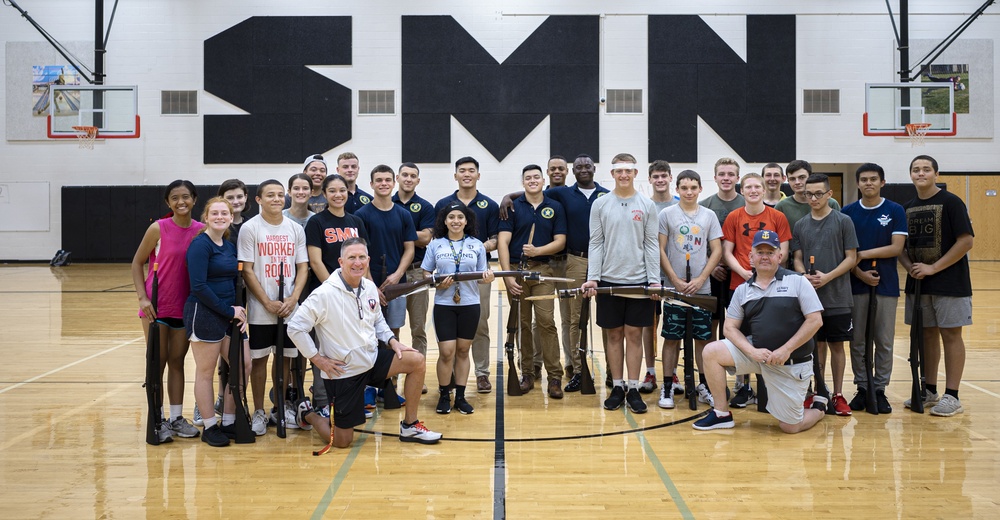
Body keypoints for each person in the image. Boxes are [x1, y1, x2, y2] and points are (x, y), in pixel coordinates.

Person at [287, 237, 442, 447]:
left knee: (416, 360)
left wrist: (392, 341)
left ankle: (410, 425)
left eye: (361, 257)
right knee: (342, 442)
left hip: (371, 360)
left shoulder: (369, 287)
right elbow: (295, 327)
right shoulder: (323, 294)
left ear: (368, 260)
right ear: (341, 262)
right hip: (344, 371)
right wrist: (317, 359)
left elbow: (377, 317)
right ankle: (308, 414)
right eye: (351, 258)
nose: (357, 262)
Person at [692, 229, 828, 433]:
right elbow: (729, 328)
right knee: (711, 352)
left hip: (789, 363)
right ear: (751, 257)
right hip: (758, 356)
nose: (765, 257)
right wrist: (751, 351)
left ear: (779, 256)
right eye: (760, 252)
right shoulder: (742, 290)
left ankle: (819, 406)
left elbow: (815, 321)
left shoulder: (797, 282)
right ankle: (721, 414)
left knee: (790, 427)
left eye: (770, 252)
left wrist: (786, 349)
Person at [581, 153, 660, 414]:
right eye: (619, 171)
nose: (624, 175)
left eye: (628, 170)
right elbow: (596, 242)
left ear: (635, 173)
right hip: (608, 281)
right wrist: (593, 276)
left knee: (634, 335)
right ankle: (617, 386)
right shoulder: (601, 204)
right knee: (613, 335)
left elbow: (651, 244)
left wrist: (654, 279)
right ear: (612, 174)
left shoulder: (647, 205)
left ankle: (634, 388)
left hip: (638, 281)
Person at [130, 180, 205, 442]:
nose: (181, 202)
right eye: (175, 198)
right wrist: (142, 297)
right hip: (157, 305)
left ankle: (175, 418)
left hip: (185, 307)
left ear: (194, 199)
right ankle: (157, 419)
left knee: (177, 362)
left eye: (186, 197)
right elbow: (137, 262)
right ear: (168, 202)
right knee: (156, 364)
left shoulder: (202, 230)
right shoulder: (158, 228)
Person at [900, 155, 974, 417]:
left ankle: (952, 396)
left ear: (936, 174)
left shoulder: (951, 202)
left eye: (926, 169)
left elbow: (965, 241)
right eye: (916, 169)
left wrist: (934, 267)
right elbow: (901, 247)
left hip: (950, 282)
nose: (921, 173)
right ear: (910, 175)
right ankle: (929, 390)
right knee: (926, 335)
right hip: (919, 284)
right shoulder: (906, 207)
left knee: (951, 335)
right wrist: (910, 266)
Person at [238, 180, 309, 436]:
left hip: (290, 308)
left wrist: (293, 299)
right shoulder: (250, 229)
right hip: (260, 308)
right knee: (259, 361)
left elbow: (303, 267)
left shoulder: (295, 229)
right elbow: (247, 269)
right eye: (270, 195)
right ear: (258, 200)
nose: (277, 199)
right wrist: (266, 301)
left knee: (285, 360)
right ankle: (259, 410)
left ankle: (280, 408)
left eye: (280, 195)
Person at [721, 172, 792, 408]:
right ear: (742, 191)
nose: (752, 190)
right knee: (740, 335)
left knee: (766, 334)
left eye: (757, 187)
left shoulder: (777, 216)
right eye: (748, 187)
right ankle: (742, 386)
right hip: (739, 285)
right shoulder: (733, 216)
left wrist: (765, 274)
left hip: (769, 285)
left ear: (764, 190)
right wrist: (743, 273)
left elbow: (783, 252)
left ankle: (767, 386)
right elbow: (727, 252)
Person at [184, 197, 251, 447]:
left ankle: (230, 421)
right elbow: (199, 286)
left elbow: (236, 282)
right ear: (206, 217)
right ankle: (210, 426)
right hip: (205, 312)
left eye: (225, 213)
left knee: (243, 365)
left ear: (232, 218)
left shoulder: (229, 246)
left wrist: (240, 310)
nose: (220, 217)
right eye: (215, 213)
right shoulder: (200, 246)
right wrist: (228, 310)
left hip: (230, 314)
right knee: (206, 372)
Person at [790, 173, 858, 416]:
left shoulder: (843, 221)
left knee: (837, 346)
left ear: (829, 194)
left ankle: (838, 395)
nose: (814, 198)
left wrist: (827, 276)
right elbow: (797, 259)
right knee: (816, 347)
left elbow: (852, 258)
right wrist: (804, 277)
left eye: (819, 193)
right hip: (810, 300)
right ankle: (819, 392)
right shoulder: (800, 225)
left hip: (838, 296)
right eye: (809, 194)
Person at [842, 163, 906, 414]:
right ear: (857, 184)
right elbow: (846, 253)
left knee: (884, 340)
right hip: (856, 285)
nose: (869, 183)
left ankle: (879, 389)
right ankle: (862, 387)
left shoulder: (895, 210)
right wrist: (859, 271)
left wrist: (862, 255)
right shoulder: (848, 213)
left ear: (882, 182)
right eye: (864, 179)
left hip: (886, 284)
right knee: (858, 340)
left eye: (874, 179)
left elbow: (896, 248)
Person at [499, 164, 567, 398]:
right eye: (528, 177)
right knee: (523, 324)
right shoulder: (513, 207)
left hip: (543, 271)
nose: (532, 180)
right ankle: (527, 373)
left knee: (547, 321)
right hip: (517, 273)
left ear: (542, 179)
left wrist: (538, 251)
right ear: (523, 182)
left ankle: (555, 376)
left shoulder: (554, 206)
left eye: (536, 177)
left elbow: (560, 240)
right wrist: (507, 276)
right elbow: (503, 243)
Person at [656, 170, 723, 409]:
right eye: (684, 188)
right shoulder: (666, 214)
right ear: (677, 189)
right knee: (671, 338)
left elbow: (716, 250)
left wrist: (701, 277)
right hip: (675, 290)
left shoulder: (709, 215)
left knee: (703, 340)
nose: (689, 192)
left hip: (701, 289)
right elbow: (660, 249)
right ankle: (667, 386)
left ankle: (705, 385)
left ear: (700, 189)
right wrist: (673, 279)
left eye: (693, 188)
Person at [434, 156, 500, 393]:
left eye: (471, 170)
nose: (467, 174)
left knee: (479, 324)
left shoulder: (489, 205)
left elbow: (495, 238)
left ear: (478, 175)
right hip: (448, 276)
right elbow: (437, 238)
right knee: (449, 332)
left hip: (477, 273)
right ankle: (449, 375)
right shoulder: (443, 204)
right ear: (455, 176)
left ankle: (482, 373)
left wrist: (479, 247)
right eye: (462, 171)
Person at [422, 204, 494, 414]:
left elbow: (481, 276)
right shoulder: (436, 245)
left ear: (466, 221)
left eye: (460, 217)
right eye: (451, 217)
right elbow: (426, 273)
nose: (455, 221)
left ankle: (460, 397)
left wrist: (487, 279)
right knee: (446, 352)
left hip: (470, 304)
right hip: (444, 305)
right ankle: (445, 394)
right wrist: (436, 283)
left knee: (463, 351)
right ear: (444, 221)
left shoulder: (476, 245)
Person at [356, 165, 417, 337]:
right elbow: (360, 253)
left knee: (393, 332)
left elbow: (409, 249)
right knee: (368, 333)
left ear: (394, 182)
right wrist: (371, 285)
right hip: (368, 283)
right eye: (379, 180)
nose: (383, 183)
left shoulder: (404, 215)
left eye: (387, 180)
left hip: (396, 283)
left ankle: (391, 364)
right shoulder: (361, 215)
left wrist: (398, 274)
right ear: (371, 184)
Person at [393, 162, 436, 393]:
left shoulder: (426, 207)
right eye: (405, 175)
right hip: (393, 274)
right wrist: (414, 234)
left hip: (418, 271)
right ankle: (389, 377)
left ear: (418, 181)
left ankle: (417, 375)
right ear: (397, 178)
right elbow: (418, 236)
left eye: (413, 176)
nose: (408, 179)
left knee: (419, 327)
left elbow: (427, 238)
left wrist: (397, 230)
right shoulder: (386, 203)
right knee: (393, 328)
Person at [641, 160, 678, 395]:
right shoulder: (645, 205)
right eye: (656, 176)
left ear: (670, 177)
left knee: (674, 324)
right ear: (650, 179)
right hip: (649, 274)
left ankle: (672, 372)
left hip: (675, 275)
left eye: (664, 175)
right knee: (649, 324)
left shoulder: (679, 204)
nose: (660, 180)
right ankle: (650, 370)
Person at [775, 160, 841, 233]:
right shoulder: (781, 206)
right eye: (792, 179)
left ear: (810, 177)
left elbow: (839, 232)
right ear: (788, 181)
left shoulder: (830, 203)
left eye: (802, 177)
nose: (797, 182)